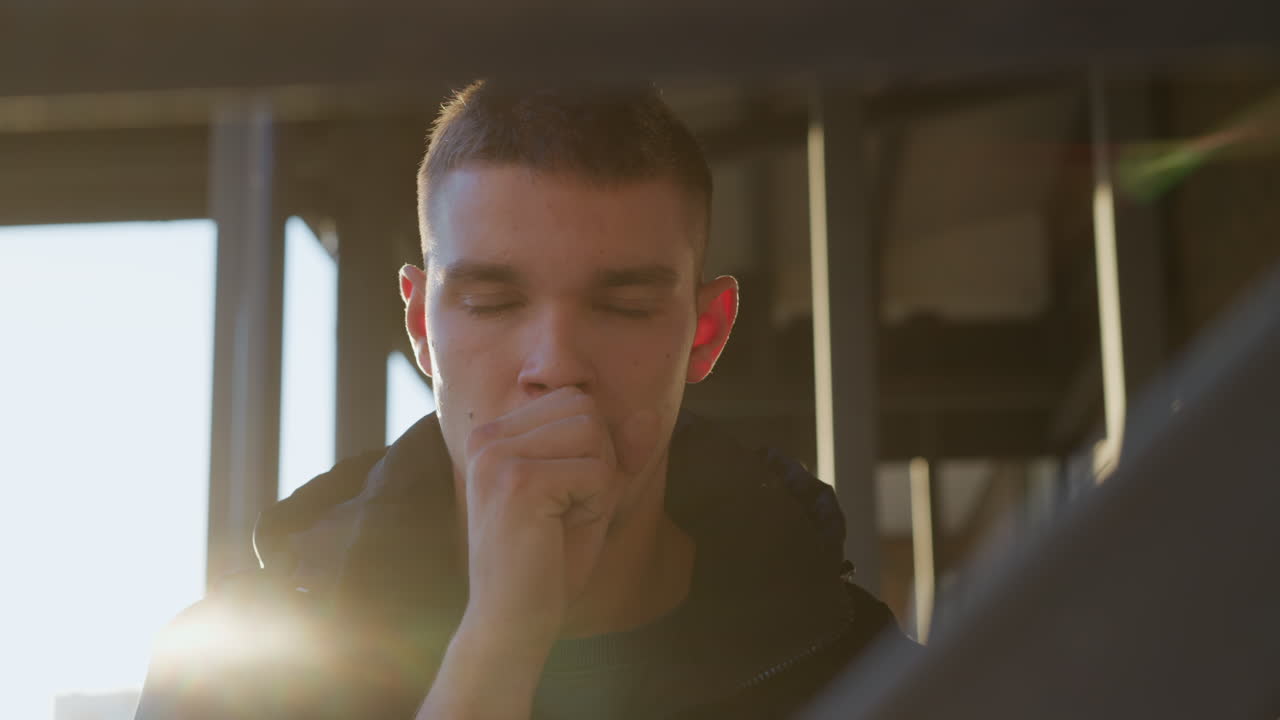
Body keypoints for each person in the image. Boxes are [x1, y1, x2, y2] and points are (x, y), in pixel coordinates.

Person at [134, 80, 912, 720]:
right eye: (493, 303)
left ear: (705, 334)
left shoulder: (862, 672)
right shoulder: (231, 676)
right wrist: (500, 640)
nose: (554, 365)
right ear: (421, 326)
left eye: (624, 306)